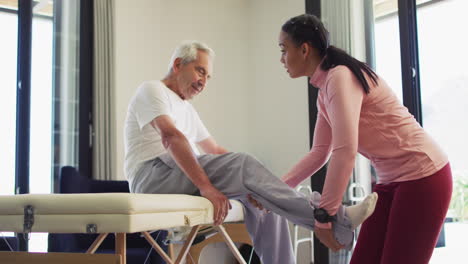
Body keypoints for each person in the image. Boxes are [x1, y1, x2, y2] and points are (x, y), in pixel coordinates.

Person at [124, 41, 377, 264]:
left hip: (177, 173)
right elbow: (171, 137)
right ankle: (332, 218)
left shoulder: (187, 108)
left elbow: (215, 150)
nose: (203, 81)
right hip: (152, 176)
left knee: (262, 199)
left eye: (208, 77)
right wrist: (206, 186)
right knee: (243, 165)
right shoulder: (152, 90)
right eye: (200, 71)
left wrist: (257, 180)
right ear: (179, 64)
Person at [277, 14, 452, 264]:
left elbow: (345, 150)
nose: (281, 59)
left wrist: (324, 216)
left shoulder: (340, 77)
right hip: (390, 182)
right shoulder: (324, 91)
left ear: (304, 49)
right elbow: (319, 152)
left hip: (423, 176)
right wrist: (276, 189)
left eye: (284, 50)